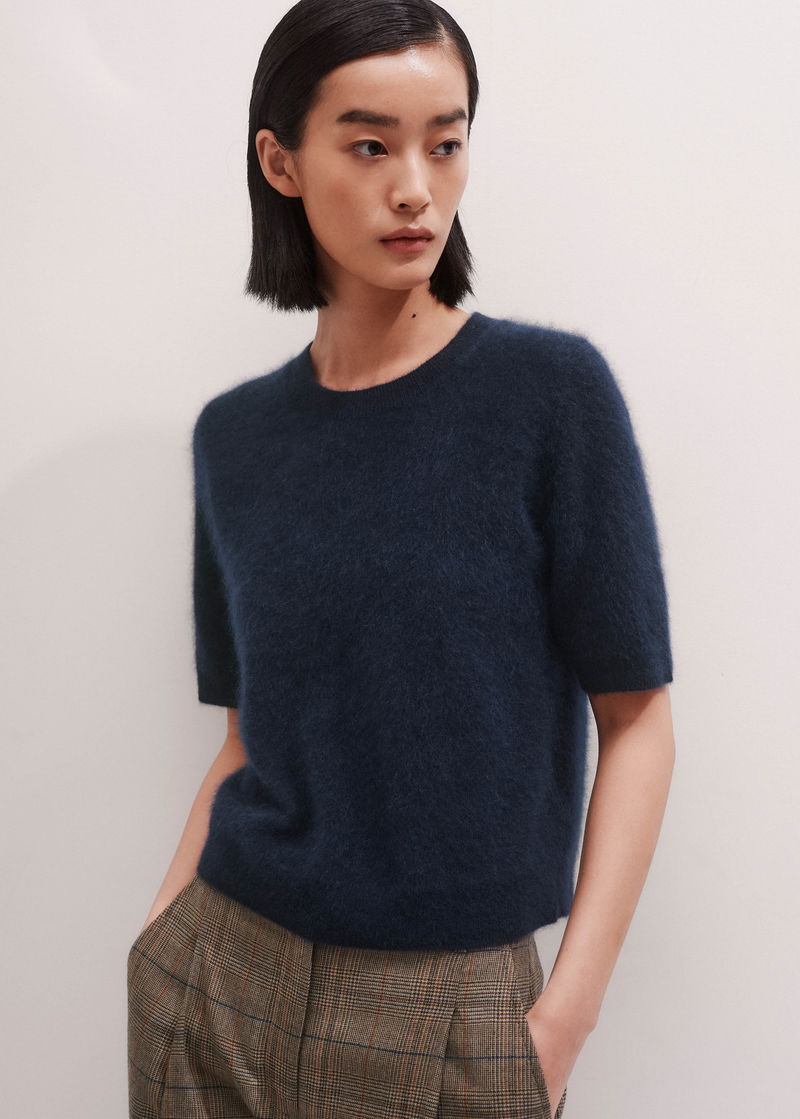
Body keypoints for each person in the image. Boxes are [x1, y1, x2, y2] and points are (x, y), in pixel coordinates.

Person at [126, 2, 676, 1117]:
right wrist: (159, 942)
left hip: (453, 1013)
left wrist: (558, 1025)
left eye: (446, 141)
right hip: (218, 975)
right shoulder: (235, 438)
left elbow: (637, 720)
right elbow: (246, 737)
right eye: (370, 145)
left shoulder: (548, 396)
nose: (416, 187)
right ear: (281, 162)